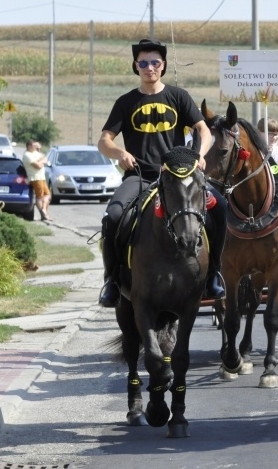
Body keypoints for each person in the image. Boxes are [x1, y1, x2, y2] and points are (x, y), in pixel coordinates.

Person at [96, 38, 228, 308]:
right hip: (139, 177)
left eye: (155, 62)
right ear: (136, 66)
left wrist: (200, 155)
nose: (149, 67)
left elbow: (204, 131)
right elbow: (104, 140)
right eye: (143, 63)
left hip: (179, 177)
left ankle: (214, 273)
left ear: (163, 65)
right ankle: (111, 281)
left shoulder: (178, 96)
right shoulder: (125, 101)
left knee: (221, 207)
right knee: (112, 217)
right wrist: (119, 153)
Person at [21, 140, 52, 221]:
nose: (36, 148)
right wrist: (40, 162)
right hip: (36, 177)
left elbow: (45, 158)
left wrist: (40, 161)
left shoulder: (34, 153)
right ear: (28, 146)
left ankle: (44, 210)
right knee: (40, 197)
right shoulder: (27, 155)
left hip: (41, 177)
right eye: (34, 147)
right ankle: (43, 213)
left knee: (48, 195)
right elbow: (38, 166)